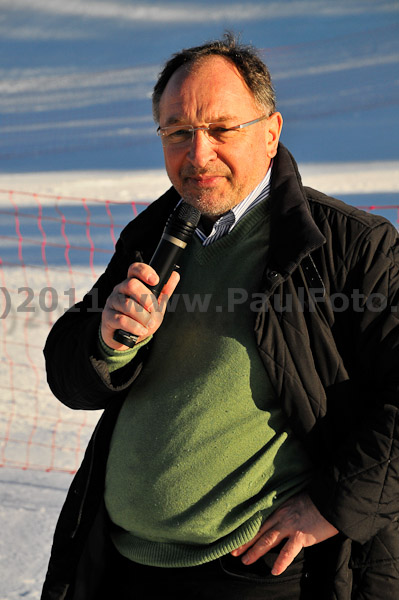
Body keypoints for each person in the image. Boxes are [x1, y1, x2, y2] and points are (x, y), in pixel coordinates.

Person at [41, 33, 399, 600]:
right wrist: (107, 341)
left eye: (221, 129)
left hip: (256, 574)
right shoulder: (152, 235)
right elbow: (67, 374)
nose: (198, 153)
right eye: (178, 132)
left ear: (272, 131)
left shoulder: (349, 246)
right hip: (121, 562)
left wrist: (334, 507)